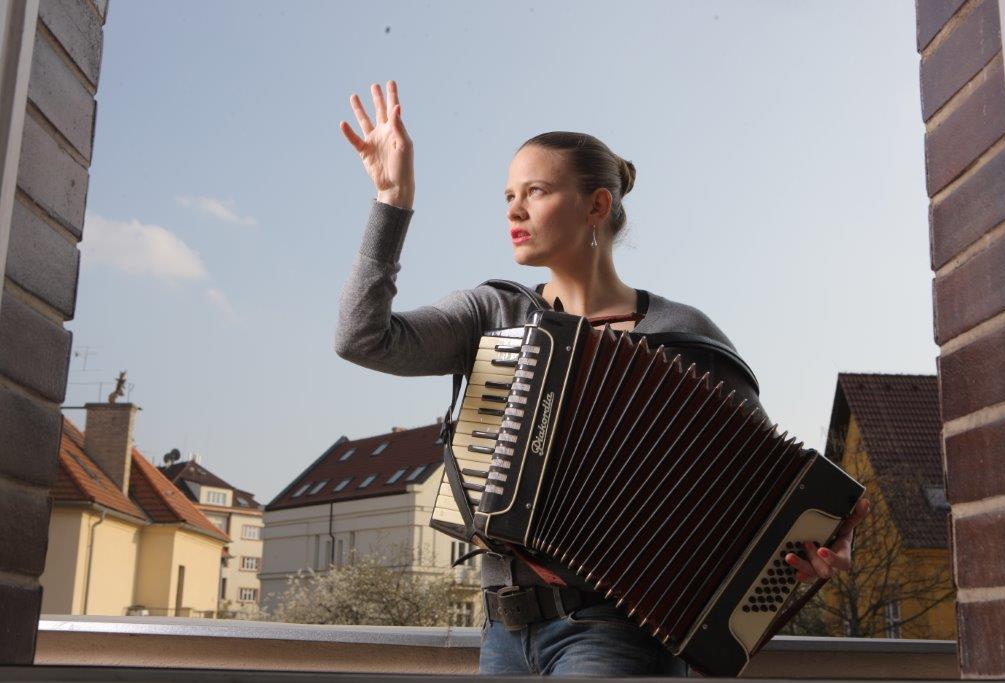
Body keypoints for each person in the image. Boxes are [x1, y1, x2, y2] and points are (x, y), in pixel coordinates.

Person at [335, 80, 870, 677]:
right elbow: (361, 337)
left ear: (597, 206)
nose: (514, 209)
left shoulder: (682, 334)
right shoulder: (494, 313)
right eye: (509, 194)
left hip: (620, 634)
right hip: (502, 635)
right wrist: (392, 201)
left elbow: (782, 491)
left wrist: (829, 542)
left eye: (535, 191)